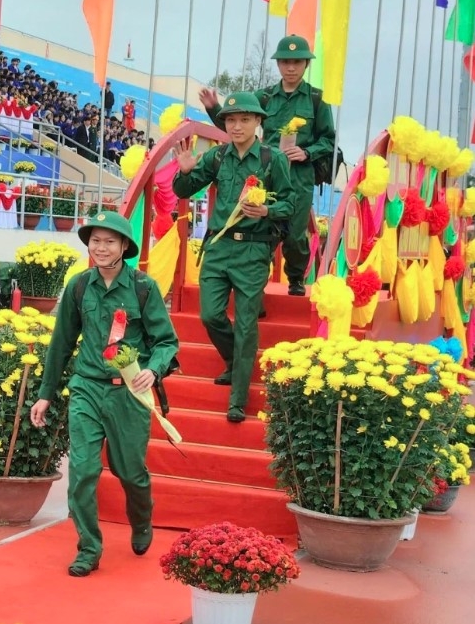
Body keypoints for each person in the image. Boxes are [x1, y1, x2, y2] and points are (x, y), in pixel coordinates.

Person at [30, 212, 180, 578]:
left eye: (109, 241)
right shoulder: (80, 287)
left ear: (125, 247)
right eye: (95, 240)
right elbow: (61, 343)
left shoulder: (144, 288)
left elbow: (167, 341)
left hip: (129, 393)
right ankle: (88, 547)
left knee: (130, 471)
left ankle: (141, 518)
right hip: (86, 388)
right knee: (82, 469)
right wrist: (45, 394)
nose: (101, 247)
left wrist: (152, 368)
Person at [173, 92, 295, 422]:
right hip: (218, 247)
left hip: (253, 250)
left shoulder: (273, 160)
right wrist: (185, 172)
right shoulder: (217, 157)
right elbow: (184, 190)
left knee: (245, 324)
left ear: (258, 122)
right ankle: (234, 361)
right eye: (230, 120)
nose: (236, 126)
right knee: (210, 315)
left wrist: (268, 209)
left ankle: (237, 399)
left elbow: (291, 204)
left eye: (244, 119)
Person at [199, 35, 335, 296]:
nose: (291, 68)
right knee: (259, 230)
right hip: (265, 172)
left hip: (299, 175)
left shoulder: (317, 100)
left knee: (295, 233)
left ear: (306, 64)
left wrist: (306, 152)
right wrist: (213, 108)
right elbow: (236, 127)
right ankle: (254, 288)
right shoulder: (264, 97)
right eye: (285, 62)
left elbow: (329, 140)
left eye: (297, 62)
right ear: (278, 65)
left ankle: (295, 277)